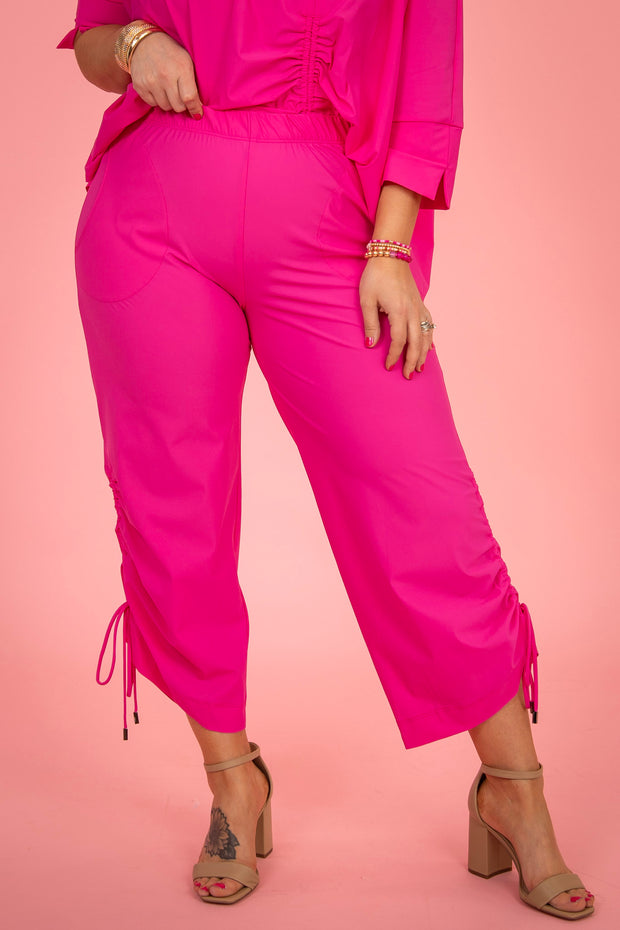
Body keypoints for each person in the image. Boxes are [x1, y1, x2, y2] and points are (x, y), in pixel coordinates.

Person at [57, 0, 594, 917]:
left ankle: (516, 790)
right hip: (149, 213)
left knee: (420, 506)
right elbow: (98, 44)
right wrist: (137, 45)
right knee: (171, 509)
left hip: (325, 209)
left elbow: (427, 87)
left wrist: (390, 246)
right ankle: (233, 782)